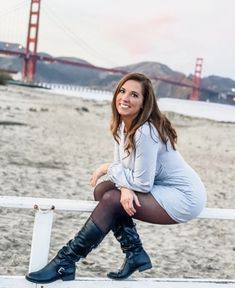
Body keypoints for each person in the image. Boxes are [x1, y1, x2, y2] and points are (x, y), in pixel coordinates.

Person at [25, 72, 207, 284]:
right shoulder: (122, 125)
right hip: (157, 186)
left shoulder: (145, 131)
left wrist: (108, 169)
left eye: (134, 95)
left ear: (144, 103)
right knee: (102, 191)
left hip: (184, 196)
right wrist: (124, 186)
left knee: (111, 199)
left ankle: (65, 261)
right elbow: (122, 169)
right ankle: (134, 253)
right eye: (122, 91)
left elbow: (142, 183)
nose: (125, 98)